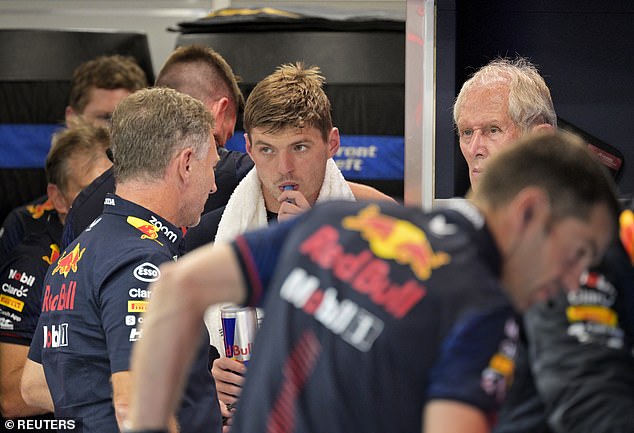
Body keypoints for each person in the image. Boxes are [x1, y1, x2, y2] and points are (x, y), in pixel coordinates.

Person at [126, 131, 619, 433]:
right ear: (529, 212)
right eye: (577, 253)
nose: (574, 279)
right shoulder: (482, 309)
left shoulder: (336, 223)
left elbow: (177, 290)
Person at [182, 62, 396, 421]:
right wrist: (209, 376)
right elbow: (182, 356)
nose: (284, 168)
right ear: (248, 147)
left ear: (332, 143)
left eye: (299, 147)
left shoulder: (379, 224)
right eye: (267, 149)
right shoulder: (208, 235)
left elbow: (399, 345)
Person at [20, 88, 221, 433]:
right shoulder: (143, 262)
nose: (215, 185)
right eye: (211, 167)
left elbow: (35, 383)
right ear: (186, 164)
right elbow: (135, 409)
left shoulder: (75, 253)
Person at [453, 57, 634, 433]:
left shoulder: (562, 236)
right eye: (466, 132)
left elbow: (587, 393)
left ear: (539, 139)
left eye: (491, 130)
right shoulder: (489, 232)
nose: (475, 148)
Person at [61, 45, 253, 249]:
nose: (212, 183)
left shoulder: (83, 205)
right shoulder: (242, 175)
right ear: (219, 110)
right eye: (220, 142)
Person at [0, 125, 112, 420]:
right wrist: (116, 379)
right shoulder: (33, 266)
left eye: (114, 187)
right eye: (91, 192)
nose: (107, 202)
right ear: (58, 199)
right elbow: (11, 398)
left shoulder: (140, 247)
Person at [0, 54, 148, 265]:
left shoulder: (164, 216)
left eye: (127, 120)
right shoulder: (24, 225)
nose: (116, 131)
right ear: (72, 118)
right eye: (105, 118)